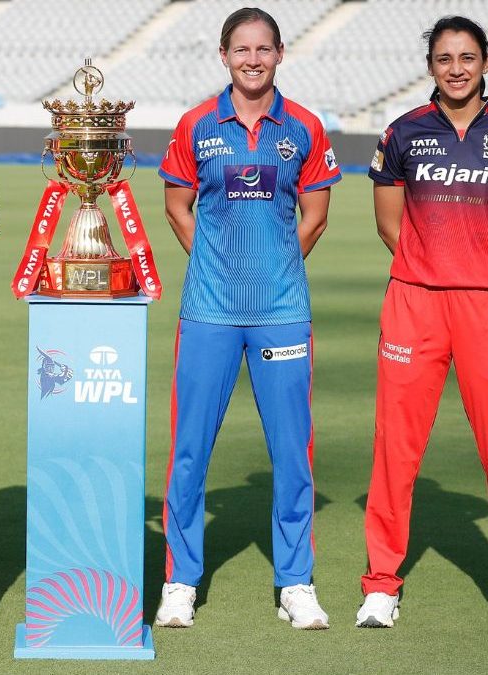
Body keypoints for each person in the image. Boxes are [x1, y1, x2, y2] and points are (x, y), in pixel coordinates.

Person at [356, 16, 488, 633]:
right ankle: (381, 584)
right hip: (415, 303)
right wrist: (430, 268)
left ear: (486, 60)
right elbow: (390, 224)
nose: (456, 68)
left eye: (467, 57)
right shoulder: (403, 132)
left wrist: (480, 267)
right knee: (396, 447)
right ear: (431, 65)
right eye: (444, 58)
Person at [155, 7, 341, 630]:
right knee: (189, 451)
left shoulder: (306, 126)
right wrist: (218, 264)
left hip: (282, 313)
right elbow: (178, 204)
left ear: (280, 54)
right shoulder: (196, 124)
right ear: (224, 55)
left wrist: (274, 268)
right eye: (242, 50)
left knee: (292, 452)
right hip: (208, 311)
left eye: (263, 49)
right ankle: (181, 580)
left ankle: (295, 582)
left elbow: (314, 216)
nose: (252, 60)